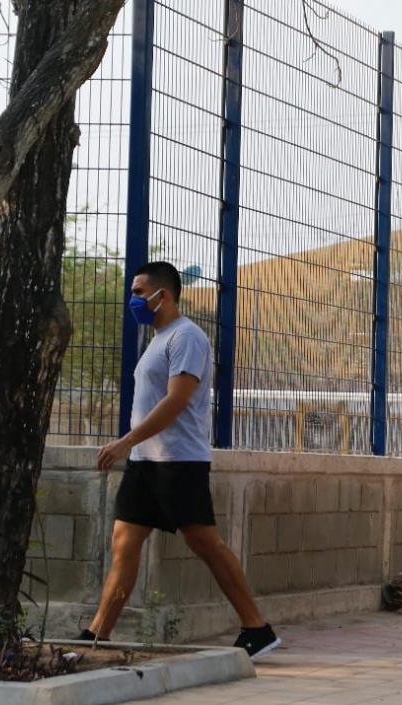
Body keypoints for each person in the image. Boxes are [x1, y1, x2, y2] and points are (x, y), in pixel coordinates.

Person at [77, 261, 280, 659]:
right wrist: (134, 448)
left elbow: (176, 401)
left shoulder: (187, 337)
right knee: (124, 543)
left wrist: (125, 442)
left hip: (178, 461)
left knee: (205, 543)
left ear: (163, 295)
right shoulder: (157, 339)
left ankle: (258, 628)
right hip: (145, 462)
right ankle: (97, 633)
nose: (133, 300)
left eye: (138, 292)